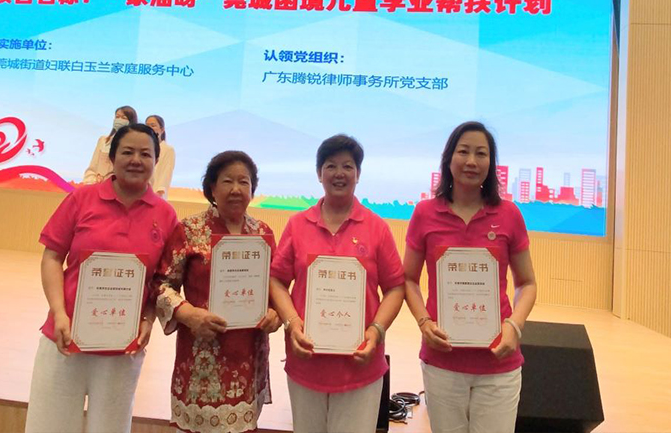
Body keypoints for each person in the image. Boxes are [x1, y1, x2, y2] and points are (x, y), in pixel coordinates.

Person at [25, 124, 179, 433]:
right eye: (127, 152)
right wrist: (59, 313)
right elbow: (52, 258)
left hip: (122, 346)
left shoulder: (165, 215)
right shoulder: (81, 199)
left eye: (145, 154)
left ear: (156, 161)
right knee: (49, 425)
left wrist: (148, 319)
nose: (136, 160)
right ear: (111, 157)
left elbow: (162, 280)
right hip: (66, 337)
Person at [403, 121, 537, 433]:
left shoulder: (509, 214)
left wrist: (514, 326)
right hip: (442, 360)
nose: (472, 161)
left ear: (491, 163)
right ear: (448, 158)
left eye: (481, 154)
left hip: (498, 362)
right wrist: (424, 322)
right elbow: (408, 279)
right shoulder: (424, 213)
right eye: (463, 151)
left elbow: (527, 283)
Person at [269, 134, 405, 433]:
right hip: (306, 362)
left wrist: (376, 331)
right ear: (319, 174)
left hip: (361, 365)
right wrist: (292, 323)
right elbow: (277, 280)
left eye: (347, 166)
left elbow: (395, 287)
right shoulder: (297, 225)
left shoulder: (377, 227)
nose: (339, 173)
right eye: (331, 166)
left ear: (358, 174)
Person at [154, 150, 281, 433]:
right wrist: (188, 314)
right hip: (201, 357)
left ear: (252, 190)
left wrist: (276, 313)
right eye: (227, 181)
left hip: (249, 356)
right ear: (212, 187)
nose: (236, 189)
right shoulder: (190, 230)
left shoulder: (263, 233)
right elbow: (162, 285)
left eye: (244, 182)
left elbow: (276, 287)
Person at [83, 106, 138, 184]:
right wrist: (93, 180)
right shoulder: (104, 141)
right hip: (98, 185)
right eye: (117, 117)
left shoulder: (135, 144)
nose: (119, 120)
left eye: (124, 118)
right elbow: (92, 168)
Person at [145, 114, 176, 199]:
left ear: (162, 129)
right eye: (147, 126)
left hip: (156, 195)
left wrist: (159, 192)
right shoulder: (142, 148)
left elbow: (166, 173)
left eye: (153, 125)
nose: (149, 128)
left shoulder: (168, 149)